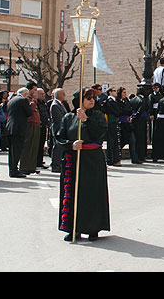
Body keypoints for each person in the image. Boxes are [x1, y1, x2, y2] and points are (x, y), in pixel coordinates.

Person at [56, 88, 110, 242]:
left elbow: (100, 133)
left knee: (92, 194)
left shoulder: (98, 116)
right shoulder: (68, 117)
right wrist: (71, 145)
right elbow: (59, 137)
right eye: (88, 98)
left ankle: (93, 228)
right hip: (73, 159)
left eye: (93, 98)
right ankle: (73, 228)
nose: (91, 100)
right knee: (73, 194)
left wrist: (86, 120)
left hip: (92, 160)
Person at [5, 87, 33, 178]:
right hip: (19, 128)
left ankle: (12, 169)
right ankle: (14, 171)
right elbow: (29, 113)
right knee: (17, 150)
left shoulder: (12, 100)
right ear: (25, 94)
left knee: (12, 151)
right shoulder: (23, 100)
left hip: (10, 127)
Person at [19, 87, 41, 175]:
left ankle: (31, 166)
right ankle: (25, 167)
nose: (35, 92)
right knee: (28, 146)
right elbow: (30, 109)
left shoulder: (32, 99)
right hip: (30, 124)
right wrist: (35, 99)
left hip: (36, 124)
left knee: (34, 147)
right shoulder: (26, 100)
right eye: (34, 90)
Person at [49, 88, 68, 172]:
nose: (65, 95)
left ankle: (58, 164)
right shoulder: (55, 105)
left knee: (60, 148)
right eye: (63, 93)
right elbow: (59, 119)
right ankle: (55, 165)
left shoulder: (60, 104)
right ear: (59, 95)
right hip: (58, 129)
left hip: (62, 129)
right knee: (57, 148)